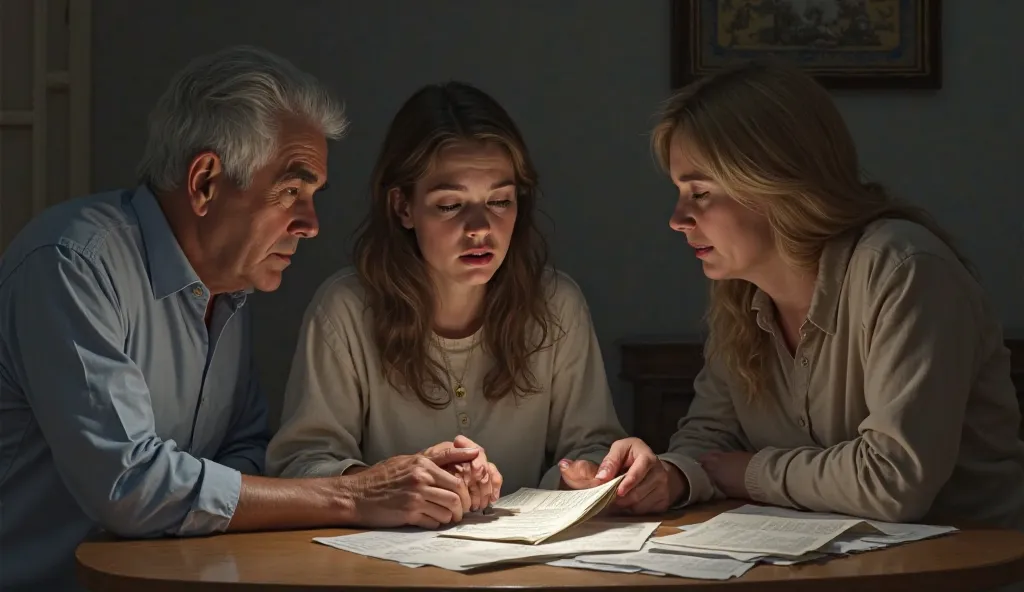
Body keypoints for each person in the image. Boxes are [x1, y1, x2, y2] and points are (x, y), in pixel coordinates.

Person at [0, 46, 480, 592]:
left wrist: (392, 486)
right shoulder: (72, 263)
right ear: (205, 181)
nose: (311, 224)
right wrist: (355, 495)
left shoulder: (227, 287)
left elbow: (247, 452)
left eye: (314, 195)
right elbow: (129, 484)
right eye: (292, 191)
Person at [622, 59, 1024, 527]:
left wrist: (749, 472)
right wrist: (667, 476)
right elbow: (711, 441)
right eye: (678, 191)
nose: (677, 218)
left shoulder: (903, 270)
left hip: (965, 566)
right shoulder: (738, 293)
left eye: (701, 192)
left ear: (774, 182)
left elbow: (893, 483)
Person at [267, 80, 659, 518]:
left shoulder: (556, 304)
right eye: (451, 205)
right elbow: (301, 463)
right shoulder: (345, 309)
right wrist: (387, 486)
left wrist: (584, 475)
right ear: (403, 207)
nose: (480, 228)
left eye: (499, 201)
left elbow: (590, 446)